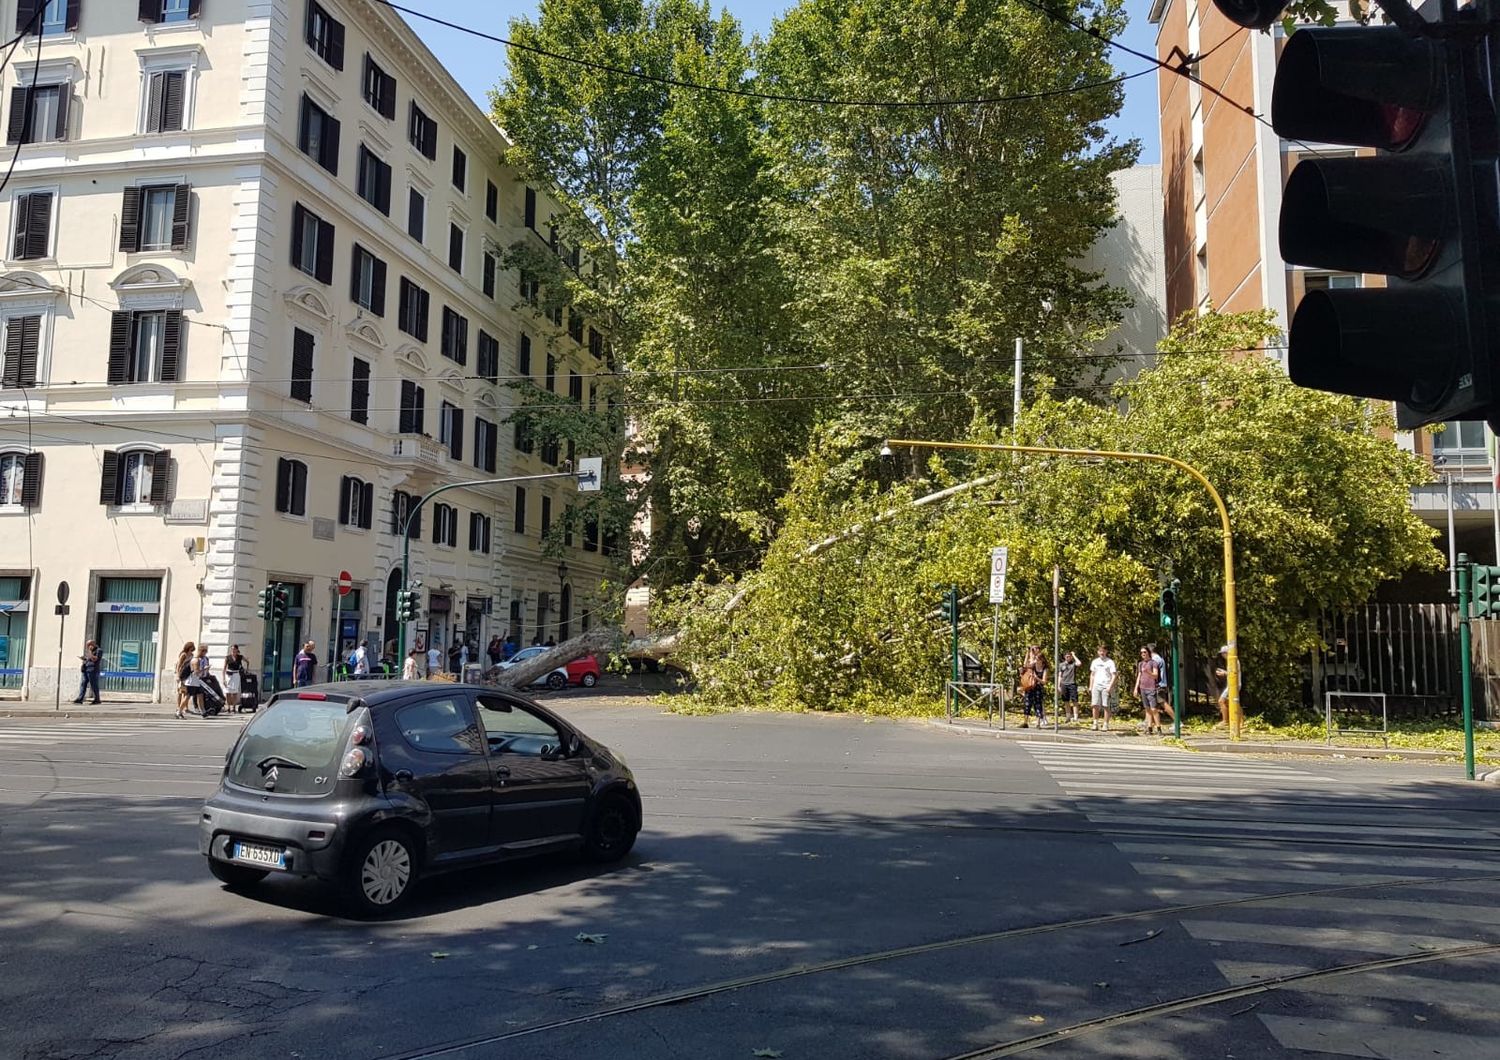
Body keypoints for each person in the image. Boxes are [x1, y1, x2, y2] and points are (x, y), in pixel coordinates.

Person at [1088, 645, 1117, 731]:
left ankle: (1105, 724)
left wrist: (1110, 687)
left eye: (1103, 651)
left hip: (1106, 686)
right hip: (1096, 685)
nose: (1102, 653)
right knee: (1095, 705)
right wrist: (1090, 686)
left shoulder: (1110, 662)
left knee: (1106, 705)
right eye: (1100, 651)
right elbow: (1092, 674)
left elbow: (1114, 675)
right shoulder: (1095, 662)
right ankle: (1095, 723)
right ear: (1098, 652)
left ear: (1106, 652)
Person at [1019, 645, 1048, 728]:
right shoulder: (1033, 666)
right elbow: (1025, 665)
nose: (1036, 660)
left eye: (1038, 659)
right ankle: (1025, 722)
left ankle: (1038, 722)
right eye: (1036, 659)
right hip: (1030, 687)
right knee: (1027, 703)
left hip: (1038, 687)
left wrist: (1037, 678)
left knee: (1038, 704)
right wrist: (1028, 652)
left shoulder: (1045, 669)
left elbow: (1044, 681)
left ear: (1042, 660)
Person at [1135, 647, 1162, 734]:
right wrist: (1136, 688)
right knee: (1147, 709)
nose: (1143, 654)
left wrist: (1148, 672)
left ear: (1148, 653)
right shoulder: (1140, 664)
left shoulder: (1153, 663)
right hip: (1143, 688)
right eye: (1141, 652)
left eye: (1145, 652)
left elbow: (1155, 675)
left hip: (1151, 688)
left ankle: (1158, 728)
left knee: (1154, 709)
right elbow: (1139, 676)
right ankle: (1149, 728)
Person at [1149, 642, 1174, 726]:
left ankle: (1177, 721)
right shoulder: (1159, 658)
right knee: (1152, 704)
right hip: (1160, 684)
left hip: (1158, 685)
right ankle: (1149, 722)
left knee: (1163, 703)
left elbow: (1155, 673)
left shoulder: (1155, 660)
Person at [72, 639, 101, 705]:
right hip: (85, 669)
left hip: (92, 670)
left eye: (89, 645)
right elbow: (89, 659)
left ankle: (97, 699)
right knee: (83, 684)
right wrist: (84, 659)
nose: (88, 647)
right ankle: (80, 699)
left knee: (94, 685)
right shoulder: (89, 651)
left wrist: (90, 652)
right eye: (87, 646)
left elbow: (95, 659)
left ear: (92, 644)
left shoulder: (99, 650)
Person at [174, 641, 196, 719]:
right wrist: (177, 675)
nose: (193, 648)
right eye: (192, 647)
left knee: (186, 692)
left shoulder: (192, 655)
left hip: (187, 675)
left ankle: (185, 708)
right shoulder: (183, 654)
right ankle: (178, 707)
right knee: (181, 692)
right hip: (181, 675)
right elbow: (179, 665)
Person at [1057, 650, 1079, 723]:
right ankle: (1068, 716)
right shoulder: (1061, 665)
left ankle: (1075, 717)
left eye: (1069, 656)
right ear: (1064, 657)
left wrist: (1074, 655)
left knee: (1074, 701)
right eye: (1066, 656)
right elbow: (1060, 675)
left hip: (1072, 683)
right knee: (1066, 701)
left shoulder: (1073, 664)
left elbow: (1079, 663)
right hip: (1064, 684)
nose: (1068, 658)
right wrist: (1058, 685)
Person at [222, 644, 245, 710]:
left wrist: (245, 669)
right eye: (232, 649)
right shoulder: (228, 657)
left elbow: (247, 661)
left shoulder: (240, 657)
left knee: (235, 691)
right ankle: (228, 706)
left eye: (234, 649)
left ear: (237, 650)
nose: (233, 650)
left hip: (236, 674)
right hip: (229, 674)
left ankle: (234, 706)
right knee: (228, 691)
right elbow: (224, 668)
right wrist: (223, 678)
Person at [1215, 645, 1231, 726]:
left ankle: (1225, 721)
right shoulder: (1231, 661)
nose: (1222, 655)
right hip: (1231, 685)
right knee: (1232, 702)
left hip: (1232, 685)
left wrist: (1224, 673)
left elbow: (1233, 673)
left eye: (1223, 653)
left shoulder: (1232, 661)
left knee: (1221, 701)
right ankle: (1241, 722)